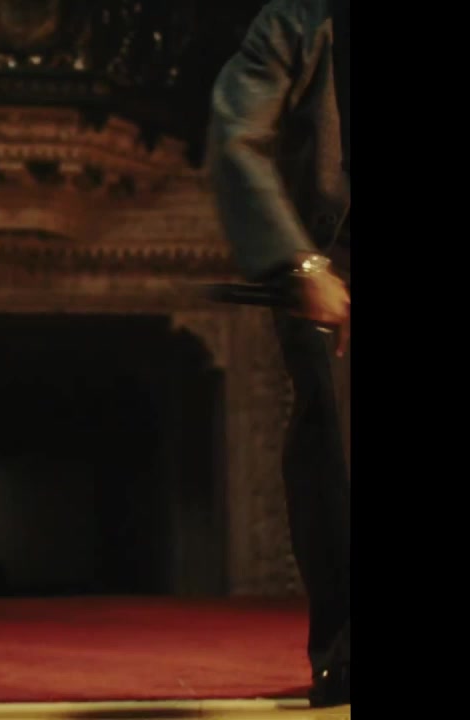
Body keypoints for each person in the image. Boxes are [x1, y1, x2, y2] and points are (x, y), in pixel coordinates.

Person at [206, 0, 350, 708]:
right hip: (325, 262)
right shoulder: (297, 20)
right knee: (337, 444)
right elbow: (237, 135)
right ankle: (345, 654)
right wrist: (300, 265)